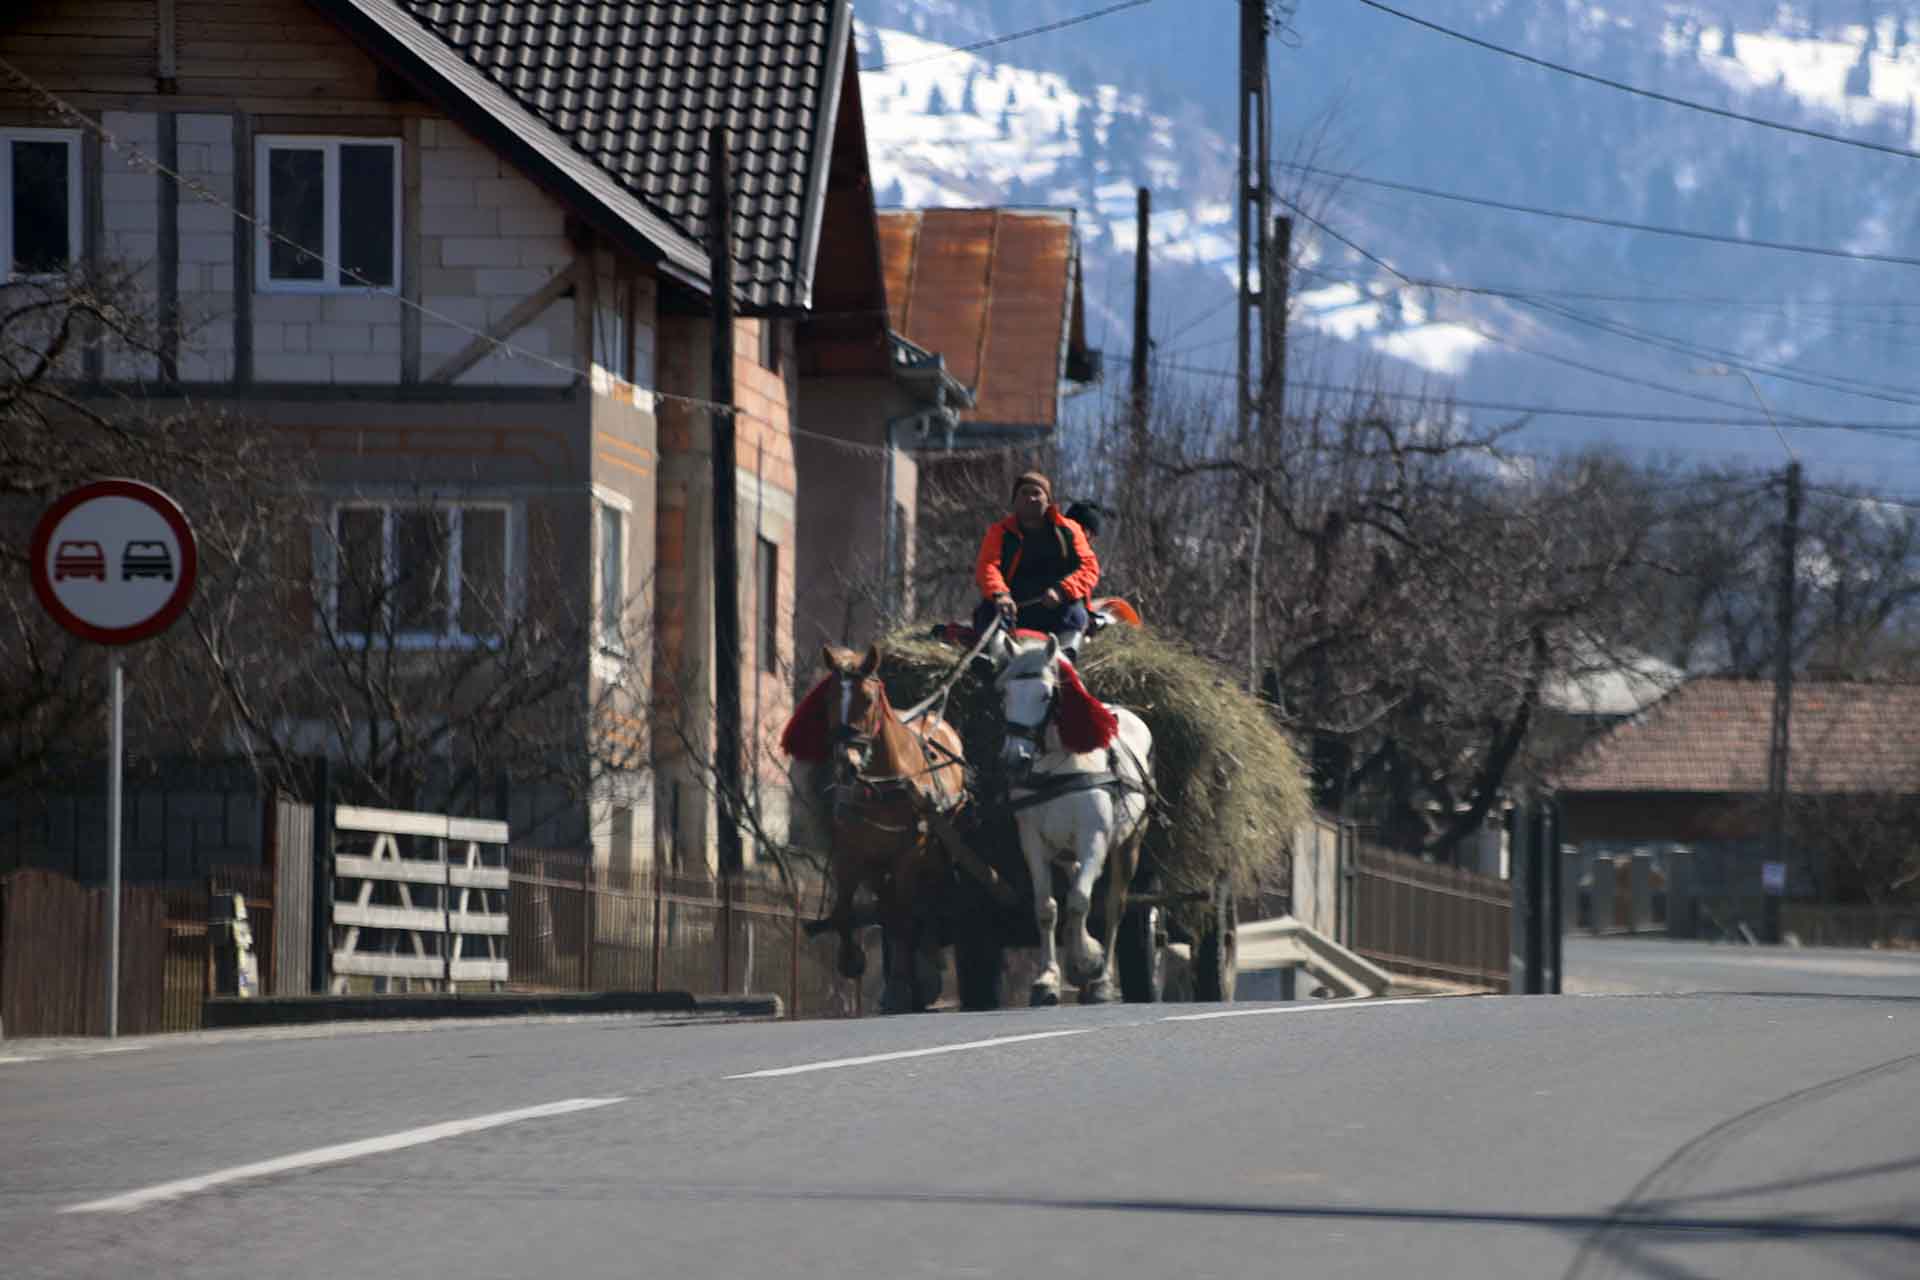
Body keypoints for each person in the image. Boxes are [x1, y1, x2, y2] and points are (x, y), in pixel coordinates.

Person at [973, 471, 1099, 655]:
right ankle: (995, 657)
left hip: (1056, 609)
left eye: (1037, 493)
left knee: (1075, 613)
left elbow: (1088, 567)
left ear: (1048, 501)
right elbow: (988, 565)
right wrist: (1000, 595)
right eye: (1024, 493)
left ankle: (1066, 659)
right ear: (1014, 501)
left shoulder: (1069, 530)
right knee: (986, 611)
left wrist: (1062, 590)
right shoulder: (999, 532)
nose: (1030, 498)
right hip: (1012, 611)